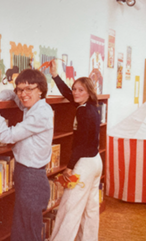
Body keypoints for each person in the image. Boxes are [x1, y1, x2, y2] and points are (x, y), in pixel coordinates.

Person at [0, 69, 54, 241]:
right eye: (20, 89)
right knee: (21, 229)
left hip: (32, 177)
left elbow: (5, 136)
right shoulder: (34, 105)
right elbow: (12, 94)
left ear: (40, 89)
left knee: (29, 233)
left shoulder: (40, 114)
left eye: (28, 89)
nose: (23, 94)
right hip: (26, 173)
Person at [49, 61, 102, 241]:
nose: (76, 93)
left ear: (89, 92)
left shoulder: (83, 112)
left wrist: (70, 167)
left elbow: (81, 144)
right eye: (75, 89)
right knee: (90, 209)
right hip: (96, 162)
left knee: (69, 208)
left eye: (81, 90)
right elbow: (67, 93)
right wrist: (55, 76)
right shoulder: (91, 107)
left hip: (85, 164)